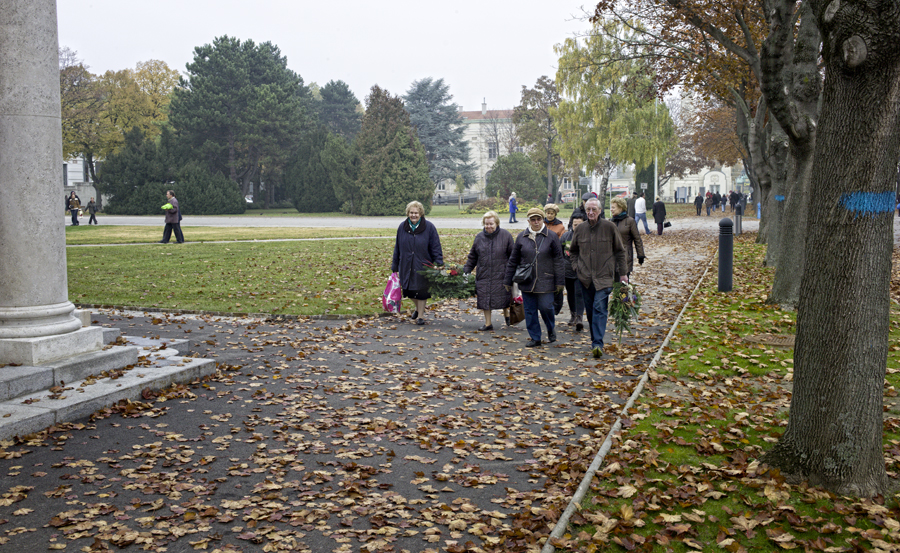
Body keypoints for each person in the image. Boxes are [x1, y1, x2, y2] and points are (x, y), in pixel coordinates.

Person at [569, 197, 628, 359]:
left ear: (600, 211)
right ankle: (595, 341)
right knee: (590, 310)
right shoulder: (580, 229)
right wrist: (577, 267)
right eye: (588, 209)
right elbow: (572, 251)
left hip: (604, 277)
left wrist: (623, 274)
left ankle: (597, 344)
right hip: (585, 278)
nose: (591, 212)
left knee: (599, 308)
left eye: (594, 209)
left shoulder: (609, 227)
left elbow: (620, 251)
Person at [504, 207, 565, 347]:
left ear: (542, 219)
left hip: (546, 280)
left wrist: (560, 281)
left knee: (546, 307)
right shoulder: (521, 237)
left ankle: (550, 329)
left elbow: (558, 260)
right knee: (530, 311)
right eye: (533, 219)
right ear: (528, 221)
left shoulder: (551, 236)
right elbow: (513, 260)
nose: (536, 222)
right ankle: (535, 337)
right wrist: (507, 280)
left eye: (538, 219)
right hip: (527, 280)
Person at [391, 201, 443, 325]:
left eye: (416, 213)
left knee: (422, 291)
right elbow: (397, 247)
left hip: (423, 264)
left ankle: (420, 316)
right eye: (411, 212)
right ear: (408, 213)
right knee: (408, 290)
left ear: (421, 214)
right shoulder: (402, 227)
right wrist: (395, 265)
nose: (413, 215)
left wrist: (438, 262)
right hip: (406, 264)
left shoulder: (429, 227)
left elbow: (436, 246)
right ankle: (418, 308)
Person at [464, 211, 514, 331]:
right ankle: (488, 323)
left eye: (491, 224)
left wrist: (512, 272)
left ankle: (507, 314)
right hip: (484, 273)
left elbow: (513, 256)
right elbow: (473, 256)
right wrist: (467, 269)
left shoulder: (506, 235)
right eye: (486, 224)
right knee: (485, 299)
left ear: (496, 223)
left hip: (501, 273)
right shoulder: (479, 237)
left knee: (504, 297)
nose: (488, 226)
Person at [561, 213, 585, 331]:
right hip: (568, 270)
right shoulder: (566, 237)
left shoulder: (587, 236)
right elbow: (560, 253)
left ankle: (580, 317)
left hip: (581, 271)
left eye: (579, 224)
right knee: (570, 293)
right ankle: (573, 314)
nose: (577, 226)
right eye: (575, 224)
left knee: (579, 293)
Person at [609, 197, 645, 279]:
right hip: (611, 257)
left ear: (621, 208)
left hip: (625, 256)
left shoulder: (630, 221)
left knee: (623, 285)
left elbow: (637, 239)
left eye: (613, 207)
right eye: (611, 207)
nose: (611, 209)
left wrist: (641, 255)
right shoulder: (610, 222)